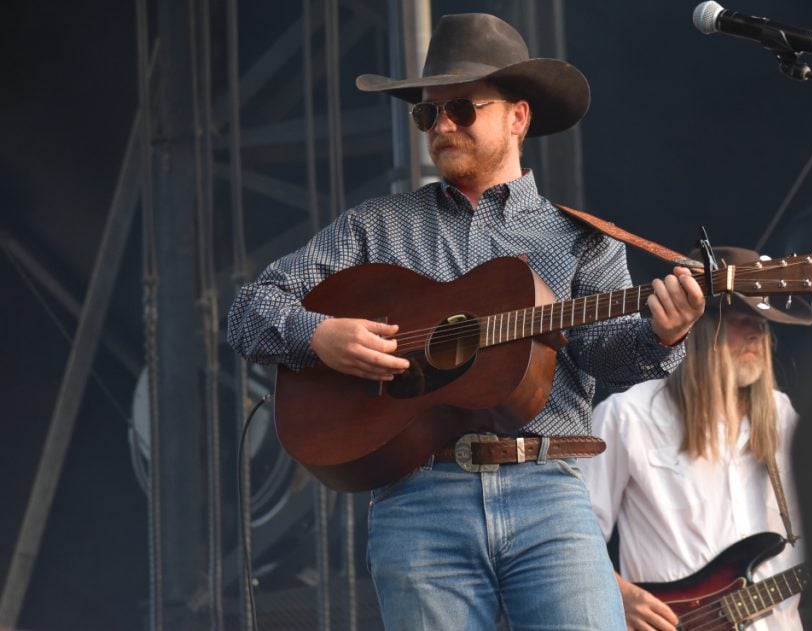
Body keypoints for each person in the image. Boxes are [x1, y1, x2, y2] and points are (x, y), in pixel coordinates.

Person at [227, 13, 705, 630]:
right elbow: (249, 310)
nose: (442, 127)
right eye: (428, 114)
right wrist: (319, 336)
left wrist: (663, 332)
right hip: (418, 500)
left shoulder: (582, 239)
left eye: (460, 109)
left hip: (548, 493)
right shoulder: (377, 226)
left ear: (518, 117)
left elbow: (604, 355)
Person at [582, 247, 812, 631]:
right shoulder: (628, 415)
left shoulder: (784, 418)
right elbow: (574, 538)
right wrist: (618, 594)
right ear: (702, 324)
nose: (757, 332)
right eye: (742, 319)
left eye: (762, 323)